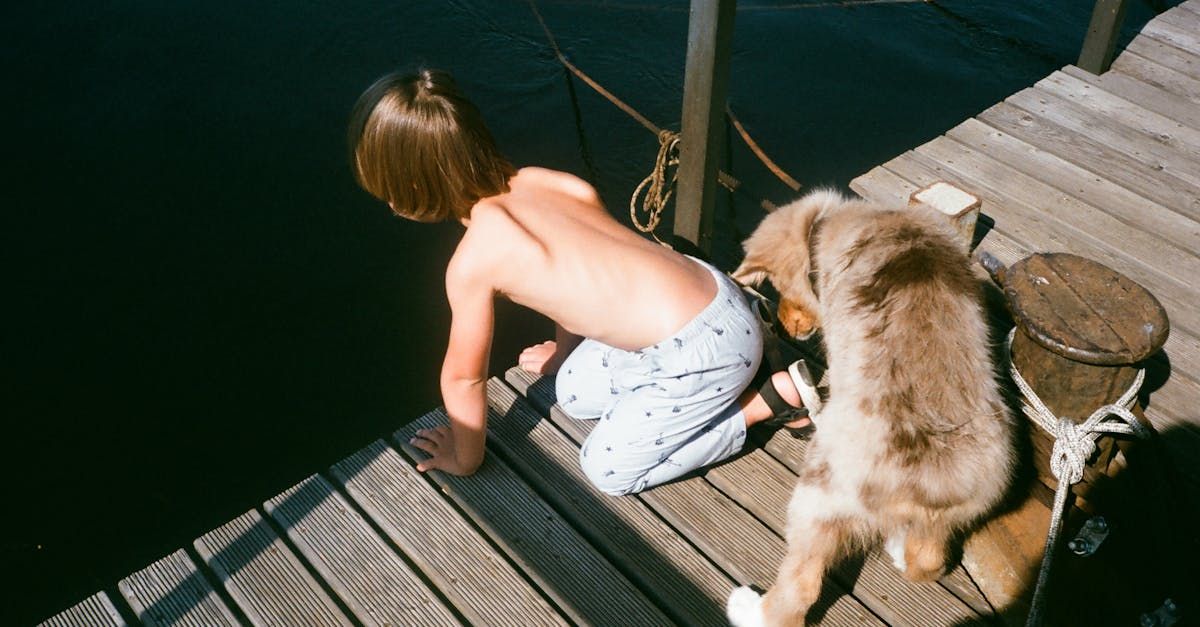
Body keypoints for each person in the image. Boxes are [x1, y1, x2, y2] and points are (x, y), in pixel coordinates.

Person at [348, 69, 820, 495]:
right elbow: (576, 287)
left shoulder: (472, 262)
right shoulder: (547, 181)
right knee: (570, 389)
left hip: (705, 354)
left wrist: (464, 457)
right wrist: (562, 350)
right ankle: (736, 363)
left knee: (608, 470)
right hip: (714, 294)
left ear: (409, 189)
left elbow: (464, 376)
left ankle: (764, 402)